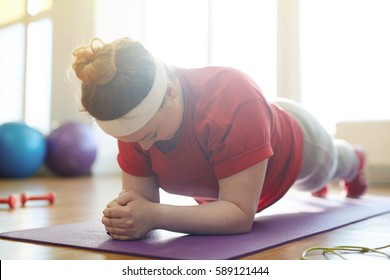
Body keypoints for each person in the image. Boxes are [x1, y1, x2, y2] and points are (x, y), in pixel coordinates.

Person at [72, 37, 367, 240]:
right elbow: (144, 207)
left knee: (332, 167)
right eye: (133, 140)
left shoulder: (231, 97)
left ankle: (356, 159)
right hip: (245, 135)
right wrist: (128, 218)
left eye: (150, 135)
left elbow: (238, 215)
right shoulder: (135, 121)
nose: (144, 148)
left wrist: (155, 216)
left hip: (299, 144)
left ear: (171, 93)